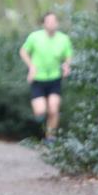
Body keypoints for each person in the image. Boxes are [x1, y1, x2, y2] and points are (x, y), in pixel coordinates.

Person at [19, 12, 72, 144]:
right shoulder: (34, 37)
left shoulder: (64, 39)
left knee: (53, 109)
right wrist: (31, 66)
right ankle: (42, 118)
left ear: (57, 23)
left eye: (54, 21)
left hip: (54, 79)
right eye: (48, 21)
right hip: (38, 79)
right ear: (43, 24)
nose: (51, 24)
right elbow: (23, 51)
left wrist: (66, 65)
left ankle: (50, 138)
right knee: (40, 111)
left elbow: (68, 55)